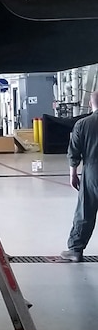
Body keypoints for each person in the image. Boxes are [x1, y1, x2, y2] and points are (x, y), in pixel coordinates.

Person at [60, 90, 98, 261]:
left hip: (92, 172)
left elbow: (74, 152)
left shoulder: (82, 124)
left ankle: (76, 249)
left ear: (90, 104)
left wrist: (73, 174)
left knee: (85, 211)